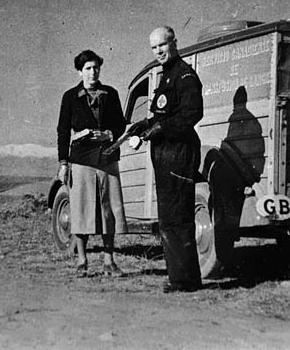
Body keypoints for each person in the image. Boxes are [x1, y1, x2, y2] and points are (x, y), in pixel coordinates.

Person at [128, 26, 203, 293]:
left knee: (179, 218)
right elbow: (164, 114)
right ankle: (178, 277)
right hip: (165, 156)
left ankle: (185, 280)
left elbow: (192, 114)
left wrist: (159, 129)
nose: (158, 51)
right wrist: (144, 124)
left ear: (174, 43)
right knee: (168, 218)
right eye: (154, 47)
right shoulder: (166, 77)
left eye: (162, 45)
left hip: (179, 155)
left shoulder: (185, 76)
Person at [56, 49, 128, 277]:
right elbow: (62, 131)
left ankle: (109, 261)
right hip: (81, 160)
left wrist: (110, 134)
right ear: (79, 71)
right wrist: (63, 163)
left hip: (107, 157)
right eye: (87, 68)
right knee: (81, 210)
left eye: (96, 67)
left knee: (109, 210)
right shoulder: (69, 97)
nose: (92, 72)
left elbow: (121, 125)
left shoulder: (111, 94)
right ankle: (82, 261)